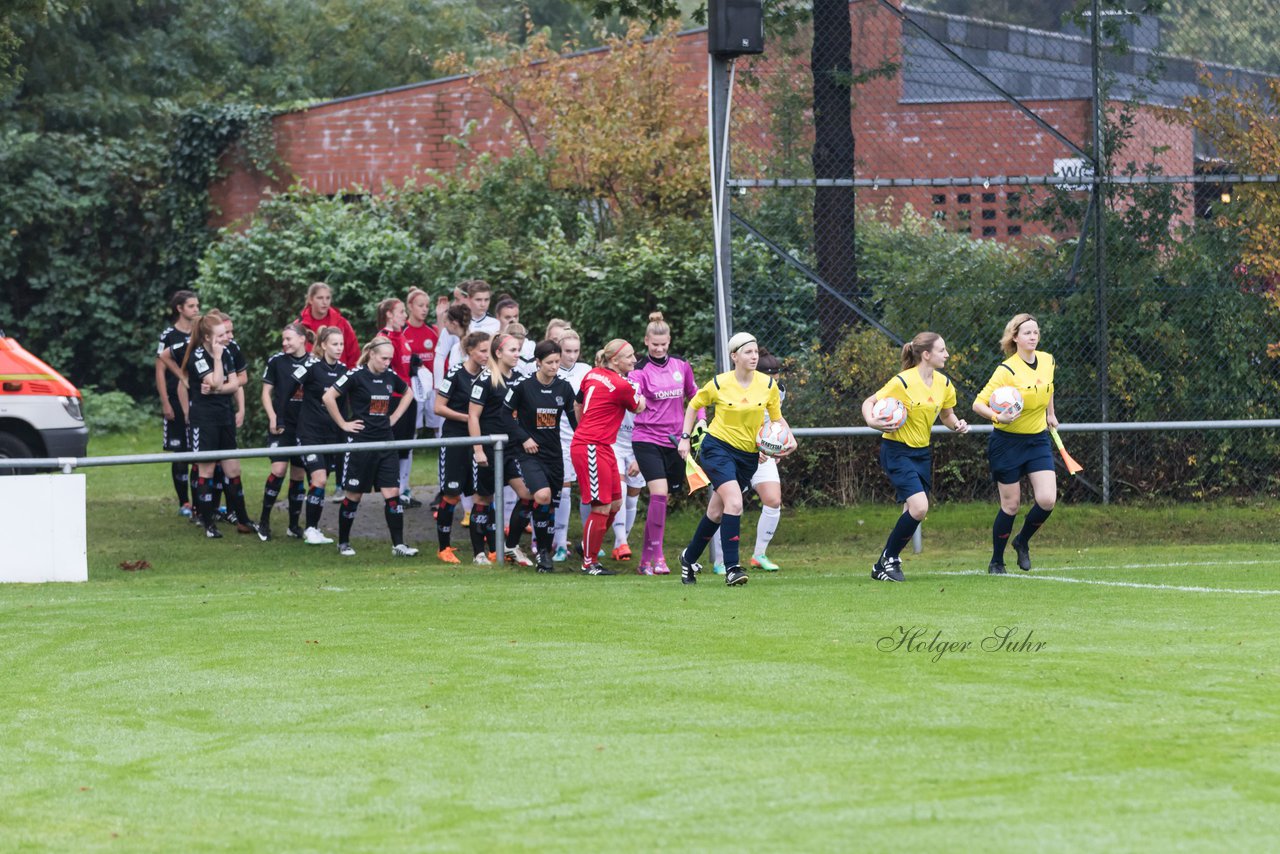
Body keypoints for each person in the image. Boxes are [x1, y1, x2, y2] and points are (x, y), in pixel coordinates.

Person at [676, 332, 795, 586]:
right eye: (747, 352)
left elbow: (776, 419)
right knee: (735, 502)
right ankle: (733, 568)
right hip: (717, 448)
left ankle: (688, 558)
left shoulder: (768, 385)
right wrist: (685, 437)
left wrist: (789, 437)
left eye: (755, 352)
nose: (753, 357)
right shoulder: (718, 384)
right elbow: (694, 404)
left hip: (748, 456)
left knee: (716, 512)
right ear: (734, 356)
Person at [861, 332, 969, 582]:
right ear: (926, 355)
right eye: (942, 350)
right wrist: (871, 420)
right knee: (920, 507)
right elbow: (870, 402)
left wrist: (958, 425)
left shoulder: (944, 384)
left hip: (922, 452)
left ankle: (882, 565)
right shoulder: (902, 382)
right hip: (897, 450)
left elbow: (947, 416)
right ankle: (890, 558)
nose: (947, 354)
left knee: (911, 509)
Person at [973, 313, 1058, 575]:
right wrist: (998, 416)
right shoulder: (1006, 370)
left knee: (1047, 500)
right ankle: (997, 561)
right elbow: (978, 404)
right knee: (1011, 505)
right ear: (1015, 338)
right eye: (1027, 333)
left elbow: (1048, 387)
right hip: (1007, 443)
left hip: (1038, 440)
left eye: (1036, 332)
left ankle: (1021, 541)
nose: (1033, 336)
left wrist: (1050, 413)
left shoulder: (1047, 360)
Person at [323, 336, 417, 557]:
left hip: (386, 443)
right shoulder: (356, 375)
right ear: (372, 354)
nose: (387, 363)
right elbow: (328, 397)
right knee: (354, 495)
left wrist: (393, 417)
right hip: (361, 444)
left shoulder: (390, 376)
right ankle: (343, 543)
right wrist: (343, 424)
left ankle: (399, 545)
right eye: (384, 358)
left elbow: (408, 393)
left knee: (392, 493)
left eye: (390, 359)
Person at [629, 312, 703, 575]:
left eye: (663, 344)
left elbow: (695, 397)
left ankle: (644, 562)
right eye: (654, 344)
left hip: (676, 440)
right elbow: (633, 401)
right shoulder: (638, 371)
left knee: (663, 498)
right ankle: (658, 557)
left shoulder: (681, 366)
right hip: (646, 438)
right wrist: (636, 401)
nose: (659, 349)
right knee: (659, 493)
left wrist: (700, 423)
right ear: (646, 341)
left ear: (669, 341)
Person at [179, 314, 262, 540]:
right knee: (206, 470)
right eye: (221, 335)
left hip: (225, 416)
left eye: (226, 333)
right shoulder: (199, 355)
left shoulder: (227, 351)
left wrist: (216, 388)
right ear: (207, 337)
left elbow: (235, 383)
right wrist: (216, 363)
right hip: (204, 420)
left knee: (233, 470)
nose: (227, 338)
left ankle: (243, 520)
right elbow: (216, 380)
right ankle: (208, 523)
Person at [570, 339, 646, 576]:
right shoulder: (622, 384)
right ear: (615, 360)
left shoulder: (592, 374)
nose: (634, 360)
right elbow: (639, 407)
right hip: (592, 446)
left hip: (602, 445)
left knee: (615, 503)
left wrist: (583, 427)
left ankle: (588, 546)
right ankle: (589, 561)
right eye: (630, 356)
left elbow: (577, 403)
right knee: (601, 506)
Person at [503, 339, 578, 573]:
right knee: (542, 496)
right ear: (537, 362)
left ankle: (521, 547)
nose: (554, 366)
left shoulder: (564, 389)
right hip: (528, 453)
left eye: (557, 362)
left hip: (553, 454)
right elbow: (505, 416)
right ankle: (543, 553)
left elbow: (575, 421)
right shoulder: (523, 387)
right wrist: (524, 438)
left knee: (545, 504)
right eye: (549, 362)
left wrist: (585, 439)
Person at [468, 333, 531, 566]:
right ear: (499, 353)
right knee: (484, 498)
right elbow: (473, 417)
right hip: (489, 448)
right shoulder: (485, 380)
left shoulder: (518, 378)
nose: (517, 355)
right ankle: (479, 553)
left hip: (512, 448)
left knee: (527, 495)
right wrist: (478, 449)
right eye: (513, 350)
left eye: (518, 350)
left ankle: (510, 545)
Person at [433, 331, 491, 564]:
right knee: (452, 493)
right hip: (456, 440)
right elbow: (438, 407)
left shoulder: (488, 375)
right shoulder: (456, 373)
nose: (487, 355)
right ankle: (443, 547)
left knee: (481, 494)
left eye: (489, 351)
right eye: (483, 351)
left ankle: (485, 549)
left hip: (478, 440)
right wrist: (467, 417)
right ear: (470, 351)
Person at [257, 322, 312, 540]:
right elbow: (265, 393)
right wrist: (273, 417)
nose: (284, 343)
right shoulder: (276, 361)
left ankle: (293, 525)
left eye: (288, 339)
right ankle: (263, 522)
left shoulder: (313, 362)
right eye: (283, 339)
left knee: (298, 475)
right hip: (281, 425)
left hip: (304, 427)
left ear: (302, 339)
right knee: (279, 470)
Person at [295, 326, 348, 544]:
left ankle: (313, 528)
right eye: (335, 344)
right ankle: (309, 529)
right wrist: (280, 418)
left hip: (331, 435)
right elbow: (289, 385)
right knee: (319, 478)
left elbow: (343, 404)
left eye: (341, 344)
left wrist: (344, 427)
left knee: (320, 481)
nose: (339, 348)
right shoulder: (311, 366)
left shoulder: (345, 370)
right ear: (324, 345)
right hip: (309, 432)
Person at [156, 289, 199, 517]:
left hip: (197, 399)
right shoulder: (168, 335)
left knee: (197, 451)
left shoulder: (201, 332)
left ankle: (200, 501)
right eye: (191, 306)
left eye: (197, 305)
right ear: (180, 309)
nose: (196, 310)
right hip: (175, 398)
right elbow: (160, 369)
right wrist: (165, 402)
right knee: (180, 451)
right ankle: (184, 502)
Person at [374, 297, 419, 507]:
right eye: (401, 312)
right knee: (390, 443)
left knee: (405, 446)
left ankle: (402, 490)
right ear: (389, 314)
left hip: (407, 396)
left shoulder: (402, 336)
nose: (405, 316)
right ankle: (390, 491)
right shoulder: (383, 338)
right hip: (391, 399)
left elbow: (404, 367)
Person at [552, 329, 591, 562]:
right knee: (564, 491)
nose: (572, 356)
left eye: (576, 351)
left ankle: (589, 542)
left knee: (587, 491)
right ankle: (560, 543)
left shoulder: (586, 371)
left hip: (583, 438)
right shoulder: (551, 370)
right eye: (567, 351)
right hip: (559, 439)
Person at [299, 281, 360, 368]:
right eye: (320, 298)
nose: (325, 302)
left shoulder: (342, 323)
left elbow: (354, 356)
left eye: (328, 298)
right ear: (310, 300)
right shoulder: (299, 326)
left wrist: (349, 378)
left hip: (339, 377)